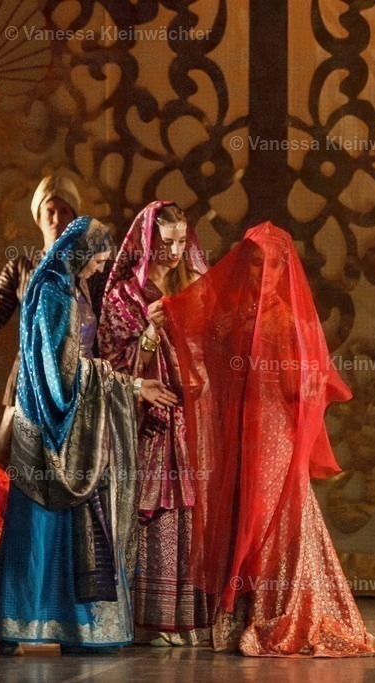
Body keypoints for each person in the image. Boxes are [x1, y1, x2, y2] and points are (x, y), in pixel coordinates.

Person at [164, 222, 375, 657]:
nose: (262, 273)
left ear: (283, 268)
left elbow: (305, 384)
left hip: (272, 432)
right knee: (241, 511)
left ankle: (279, 610)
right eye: (254, 263)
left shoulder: (285, 319)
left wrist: (292, 389)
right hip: (238, 430)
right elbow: (204, 356)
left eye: (271, 265)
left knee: (271, 512)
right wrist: (170, 313)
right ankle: (241, 615)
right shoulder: (232, 315)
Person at [0, 216, 179, 655]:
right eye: (95, 262)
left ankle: (65, 627)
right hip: (48, 426)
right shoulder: (53, 293)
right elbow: (62, 374)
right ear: (79, 255)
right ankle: (20, 625)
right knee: (38, 528)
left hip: (67, 422)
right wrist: (130, 385)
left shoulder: (71, 288)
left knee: (65, 529)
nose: (97, 270)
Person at [97, 201, 214, 646]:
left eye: (182, 241)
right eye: (166, 242)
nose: (175, 251)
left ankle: (183, 619)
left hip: (188, 420)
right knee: (151, 516)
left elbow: (209, 351)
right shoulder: (123, 297)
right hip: (144, 424)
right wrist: (149, 332)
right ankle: (146, 620)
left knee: (188, 517)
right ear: (147, 242)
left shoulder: (191, 287)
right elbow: (111, 364)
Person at [0, 174, 111, 462]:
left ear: (74, 217)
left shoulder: (92, 268)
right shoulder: (21, 267)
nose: (56, 219)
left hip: (77, 376)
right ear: (38, 217)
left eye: (64, 211)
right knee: (6, 449)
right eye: (49, 211)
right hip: (29, 375)